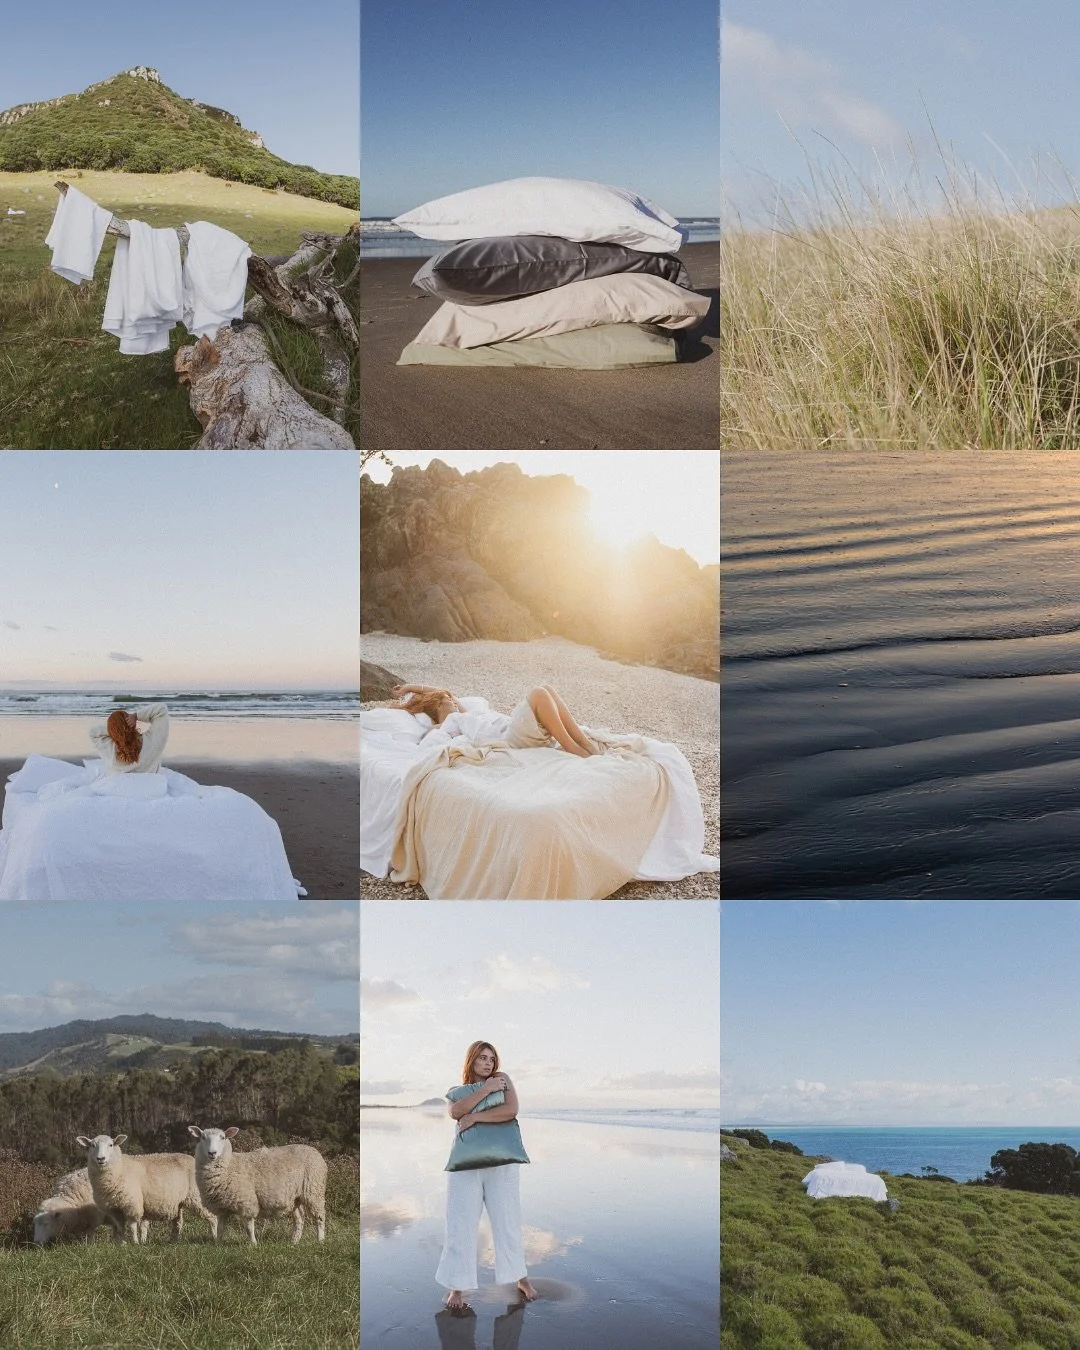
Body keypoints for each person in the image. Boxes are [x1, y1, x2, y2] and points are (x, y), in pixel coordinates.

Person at [436, 1040, 539, 1310]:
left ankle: (521, 1278)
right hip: (465, 1165)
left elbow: (511, 1110)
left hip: (501, 1163)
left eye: (492, 1059)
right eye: (482, 1058)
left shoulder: (502, 1080)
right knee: (460, 1224)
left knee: (507, 1220)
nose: (488, 1063)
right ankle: (457, 1287)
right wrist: (485, 1090)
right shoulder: (459, 1092)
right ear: (471, 1060)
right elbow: (456, 1112)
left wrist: (478, 1117)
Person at [391, 683, 599, 757]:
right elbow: (429, 744)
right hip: (509, 738)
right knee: (538, 694)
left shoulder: (463, 712)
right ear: (437, 706)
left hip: (511, 728)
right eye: (447, 700)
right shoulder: (442, 726)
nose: (453, 700)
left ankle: (584, 744)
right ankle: (573, 748)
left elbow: (444, 691)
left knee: (547, 689)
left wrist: (410, 687)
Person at [88, 703, 170, 774]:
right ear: (132, 724)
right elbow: (161, 709)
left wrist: (116, 729)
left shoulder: (108, 748)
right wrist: (136, 716)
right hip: (148, 785)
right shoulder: (152, 741)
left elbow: (93, 732)